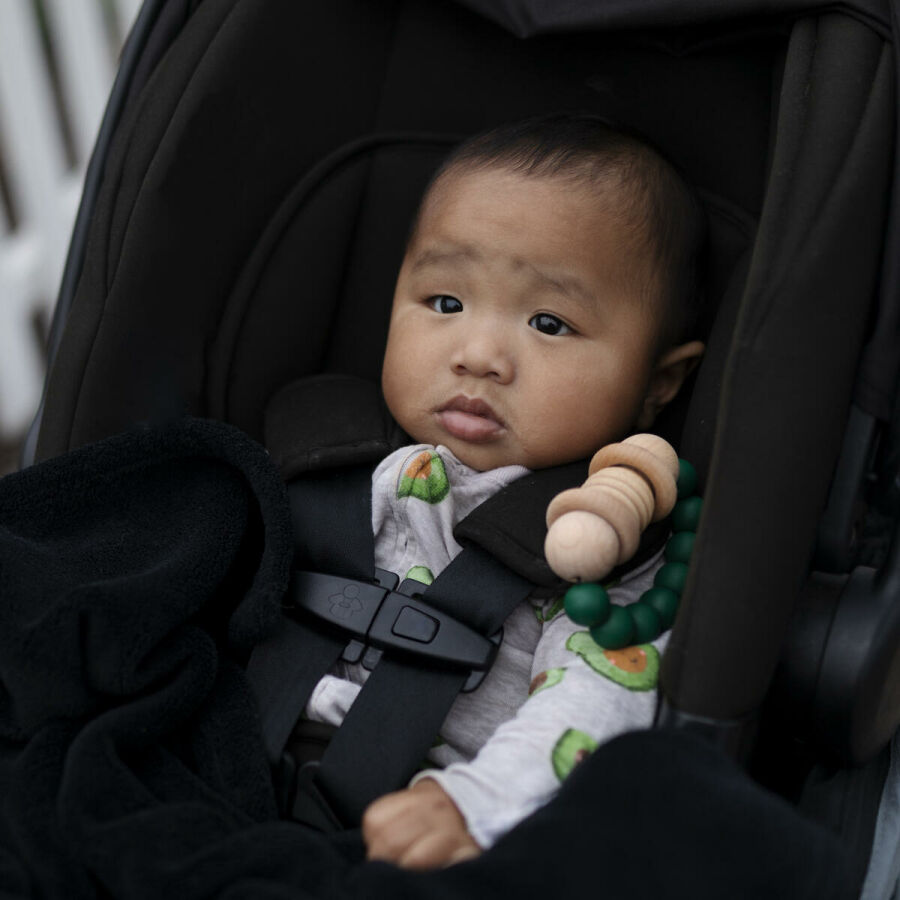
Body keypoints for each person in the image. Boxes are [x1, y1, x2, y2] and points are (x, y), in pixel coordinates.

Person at [301, 113, 707, 870]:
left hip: (443, 823)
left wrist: (473, 805)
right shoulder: (320, 455)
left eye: (548, 322)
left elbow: (595, 699)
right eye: (445, 303)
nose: (478, 354)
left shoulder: (604, 538)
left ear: (660, 382)